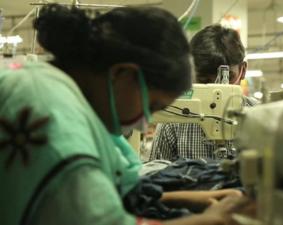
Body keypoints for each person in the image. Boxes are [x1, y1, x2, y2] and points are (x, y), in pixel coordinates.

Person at [0, 5, 244, 225]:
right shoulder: (52, 119)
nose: (146, 122)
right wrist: (209, 220)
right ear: (123, 75)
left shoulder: (49, 86)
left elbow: (115, 191)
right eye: (153, 105)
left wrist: (196, 198)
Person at [149, 24, 257, 161]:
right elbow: (156, 173)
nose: (217, 89)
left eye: (228, 77)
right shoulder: (174, 121)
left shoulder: (260, 117)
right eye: (204, 80)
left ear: (243, 71)